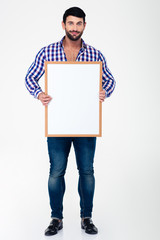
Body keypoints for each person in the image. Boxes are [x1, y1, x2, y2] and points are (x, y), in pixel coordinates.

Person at [25, 6, 116, 236]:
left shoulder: (95, 54)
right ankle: (56, 218)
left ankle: (87, 218)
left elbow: (110, 81)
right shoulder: (47, 52)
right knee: (56, 172)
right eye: (70, 23)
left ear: (84, 25)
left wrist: (104, 91)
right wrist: (39, 94)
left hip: (86, 124)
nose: (74, 28)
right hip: (58, 124)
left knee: (86, 171)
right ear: (63, 25)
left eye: (79, 23)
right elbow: (30, 78)